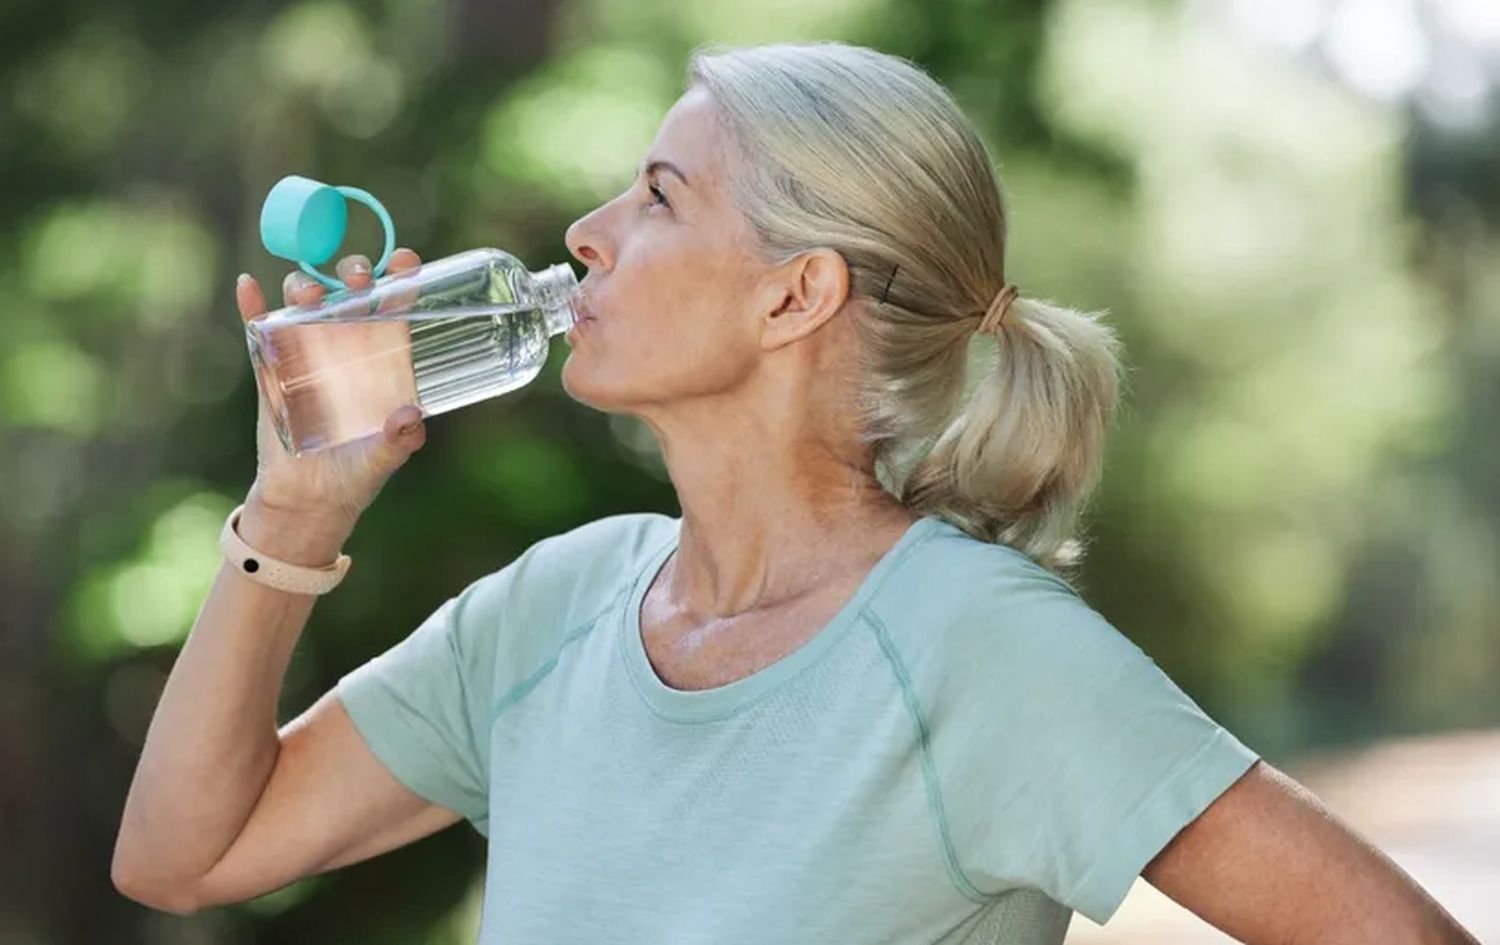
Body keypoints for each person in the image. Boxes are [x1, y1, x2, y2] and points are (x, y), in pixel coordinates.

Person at [113, 40, 1480, 945]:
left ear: (795, 291)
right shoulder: (559, 608)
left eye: (657, 194)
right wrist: (291, 517)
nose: (586, 234)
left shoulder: (975, 648)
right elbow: (182, 855)